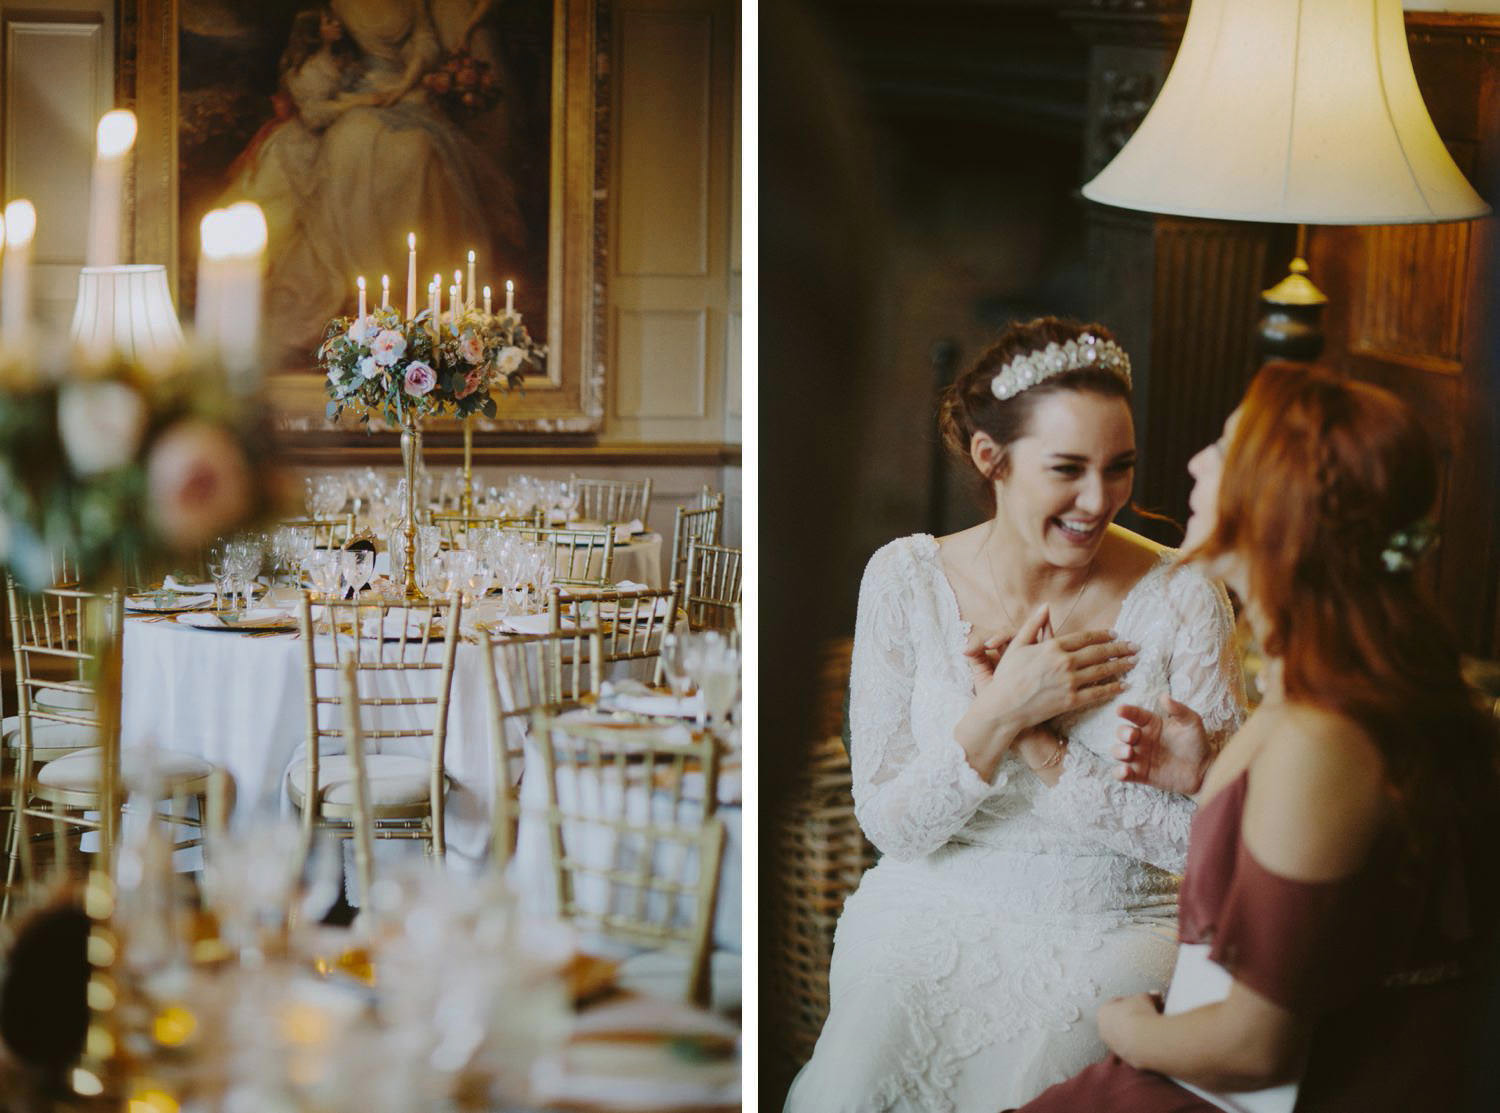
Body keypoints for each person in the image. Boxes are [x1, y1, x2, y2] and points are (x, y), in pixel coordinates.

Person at [784, 317, 1246, 1113]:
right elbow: (892, 825)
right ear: (991, 459)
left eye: (1121, 467)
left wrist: (1052, 755)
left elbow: (1209, 843)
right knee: (858, 1079)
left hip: (1115, 925)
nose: (1099, 500)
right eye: (1067, 468)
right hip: (934, 905)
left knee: (1043, 1079)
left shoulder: (1184, 595)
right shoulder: (903, 579)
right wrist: (997, 714)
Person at [1011, 363, 1500, 1112]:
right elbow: (1333, 864)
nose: (1196, 462)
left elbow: (1254, 1045)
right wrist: (1205, 775)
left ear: (1281, 504)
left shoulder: (1325, 732)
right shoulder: (1319, 687)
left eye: (1226, 446)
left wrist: (1126, 1024)